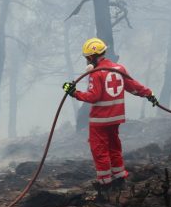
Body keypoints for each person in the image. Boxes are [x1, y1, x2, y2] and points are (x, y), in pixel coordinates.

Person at [63, 38, 158, 191]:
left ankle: (105, 183)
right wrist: (149, 94)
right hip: (116, 118)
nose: (86, 60)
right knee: (114, 147)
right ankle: (120, 177)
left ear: (91, 57)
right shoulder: (119, 68)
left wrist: (74, 93)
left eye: (87, 57)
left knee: (99, 150)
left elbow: (93, 96)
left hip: (100, 120)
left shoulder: (96, 73)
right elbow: (133, 86)